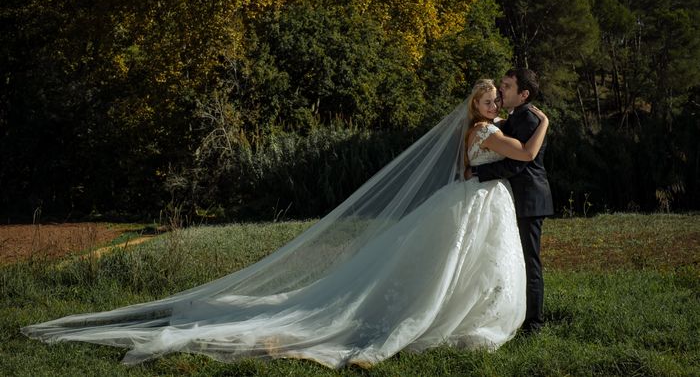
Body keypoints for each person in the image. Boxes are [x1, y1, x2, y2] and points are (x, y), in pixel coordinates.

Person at [22, 79, 549, 368]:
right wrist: (543, 121)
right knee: (461, 267)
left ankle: (467, 312)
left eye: (494, 95)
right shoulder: (486, 130)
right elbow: (524, 155)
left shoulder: (474, 131)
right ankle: (461, 319)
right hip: (478, 203)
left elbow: (482, 158)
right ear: (474, 106)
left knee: (459, 266)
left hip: (472, 199)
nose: (492, 100)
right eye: (485, 98)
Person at [471, 69, 553, 335]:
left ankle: (535, 325)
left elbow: (517, 163)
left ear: (524, 94)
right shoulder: (515, 117)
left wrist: (478, 174)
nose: (501, 90)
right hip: (514, 198)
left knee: (530, 262)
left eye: (507, 86)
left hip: (530, 198)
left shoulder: (530, 118)